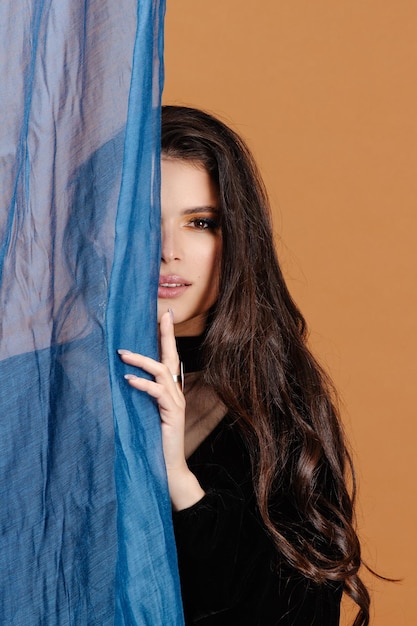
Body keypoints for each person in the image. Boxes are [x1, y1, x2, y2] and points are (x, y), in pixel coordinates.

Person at [119, 105, 370, 625]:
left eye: (201, 223)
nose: (169, 251)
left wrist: (176, 480)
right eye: (143, 221)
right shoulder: (47, 386)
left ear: (237, 238)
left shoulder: (280, 406)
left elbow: (295, 612)